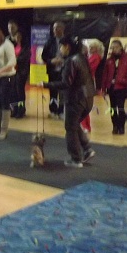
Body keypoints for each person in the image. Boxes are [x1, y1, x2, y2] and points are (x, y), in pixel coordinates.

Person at [40, 36, 95, 168]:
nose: (60, 49)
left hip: (75, 99)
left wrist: (46, 84)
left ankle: (76, 159)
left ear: (67, 47)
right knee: (74, 124)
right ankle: (87, 149)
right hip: (88, 97)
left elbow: (66, 83)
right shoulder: (82, 57)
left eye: (61, 46)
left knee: (70, 128)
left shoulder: (71, 61)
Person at [101, 40, 127, 135]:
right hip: (111, 87)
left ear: (121, 47)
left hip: (121, 87)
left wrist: (126, 81)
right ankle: (115, 125)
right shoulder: (109, 60)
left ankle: (121, 126)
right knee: (112, 108)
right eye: (112, 48)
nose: (114, 49)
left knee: (120, 107)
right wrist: (103, 88)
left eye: (116, 47)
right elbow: (105, 75)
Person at [41, 21, 66, 118]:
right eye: (54, 28)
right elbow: (43, 56)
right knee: (52, 92)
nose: (55, 30)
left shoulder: (68, 40)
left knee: (63, 92)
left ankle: (61, 111)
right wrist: (51, 61)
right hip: (52, 70)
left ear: (62, 29)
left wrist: (63, 60)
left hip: (64, 71)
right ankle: (53, 110)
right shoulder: (50, 41)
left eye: (57, 28)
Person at [81, 39, 104, 133]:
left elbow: (88, 69)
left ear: (97, 48)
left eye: (92, 47)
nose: (90, 48)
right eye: (89, 47)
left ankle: (86, 126)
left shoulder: (96, 57)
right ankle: (84, 125)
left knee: (84, 105)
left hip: (87, 82)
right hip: (85, 81)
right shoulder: (89, 56)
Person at [12, 31, 30, 119]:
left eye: (19, 36)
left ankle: (21, 110)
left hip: (21, 72)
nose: (17, 38)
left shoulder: (26, 47)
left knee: (20, 92)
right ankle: (15, 109)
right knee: (14, 92)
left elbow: (24, 58)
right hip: (13, 72)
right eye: (16, 36)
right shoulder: (14, 46)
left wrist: (16, 59)